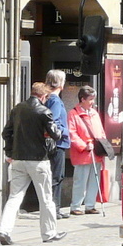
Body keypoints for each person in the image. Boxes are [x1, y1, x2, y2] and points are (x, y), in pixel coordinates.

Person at [0, 82, 66, 245]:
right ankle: (49, 233)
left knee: (14, 197)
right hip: (38, 160)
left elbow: (6, 132)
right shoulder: (44, 111)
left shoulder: (18, 109)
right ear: (43, 96)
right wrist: (58, 129)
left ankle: (4, 230)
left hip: (19, 159)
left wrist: (9, 153)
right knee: (46, 198)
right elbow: (56, 135)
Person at [68, 86, 108, 215]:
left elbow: (100, 130)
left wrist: (102, 143)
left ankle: (90, 205)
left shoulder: (94, 113)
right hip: (83, 153)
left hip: (95, 152)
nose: (93, 102)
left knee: (94, 180)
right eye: (90, 99)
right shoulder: (73, 114)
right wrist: (84, 145)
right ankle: (76, 206)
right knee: (80, 180)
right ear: (82, 99)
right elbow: (72, 133)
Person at [44, 70, 71, 219]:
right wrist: (65, 131)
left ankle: (55, 208)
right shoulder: (54, 100)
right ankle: (55, 208)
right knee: (56, 176)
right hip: (57, 143)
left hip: (57, 142)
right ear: (60, 82)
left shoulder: (50, 98)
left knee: (55, 176)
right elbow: (51, 121)